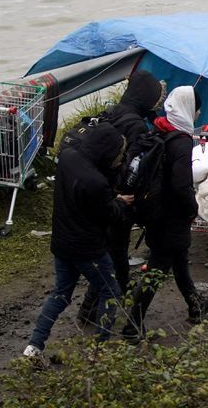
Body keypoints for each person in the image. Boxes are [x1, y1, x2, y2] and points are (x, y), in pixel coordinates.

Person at [23, 113, 132, 357]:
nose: (121, 159)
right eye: (119, 153)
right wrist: (120, 203)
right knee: (110, 291)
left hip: (62, 243)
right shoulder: (96, 182)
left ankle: (34, 346)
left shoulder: (67, 158)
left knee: (61, 294)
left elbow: (82, 201)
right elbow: (108, 214)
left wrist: (110, 200)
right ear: (107, 151)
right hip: (88, 248)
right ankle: (99, 349)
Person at [122, 85, 208, 340]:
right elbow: (181, 185)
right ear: (188, 109)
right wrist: (192, 210)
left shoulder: (161, 130)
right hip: (171, 215)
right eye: (196, 108)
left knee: (179, 258)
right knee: (158, 268)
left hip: (155, 210)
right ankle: (132, 325)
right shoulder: (181, 142)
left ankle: (196, 305)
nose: (197, 113)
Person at [76, 71, 164, 326]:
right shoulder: (134, 124)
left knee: (112, 254)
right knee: (115, 256)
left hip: (100, 191)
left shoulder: (116, 111)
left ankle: (110, 302)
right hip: (118, 196)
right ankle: (92, 313)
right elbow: (133, 165)